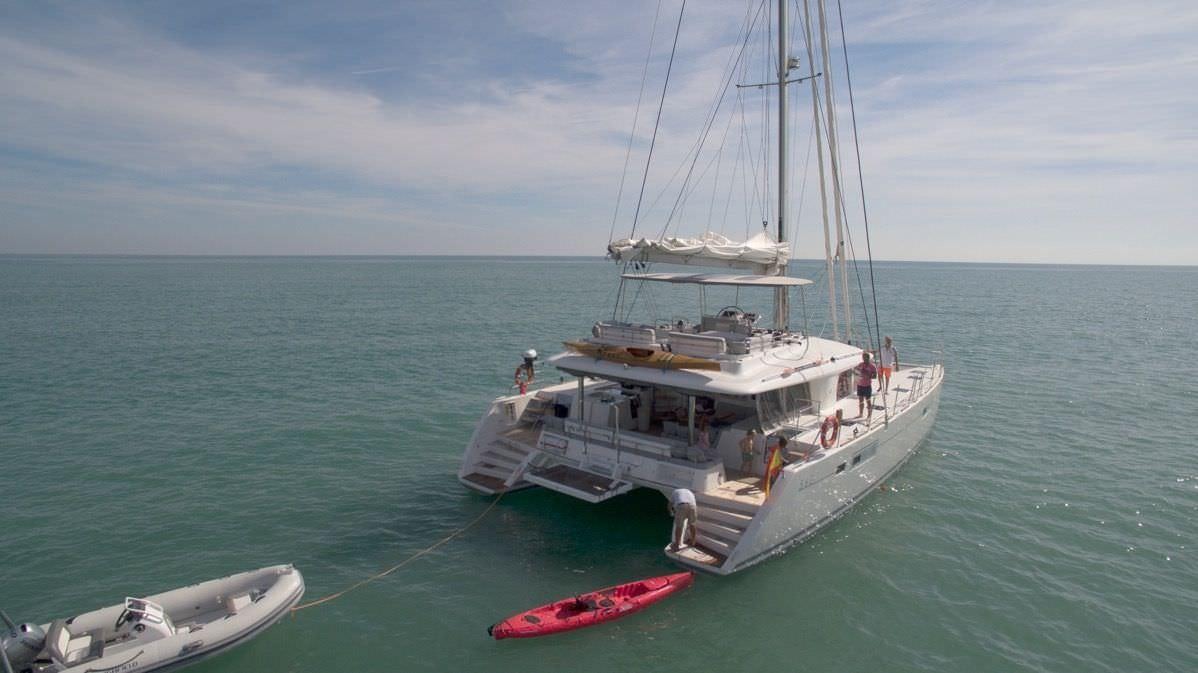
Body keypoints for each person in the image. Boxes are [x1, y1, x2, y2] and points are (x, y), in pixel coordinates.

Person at [856, 352, 878, 420]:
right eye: (863, 357)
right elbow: (856, 372)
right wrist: (858, 372)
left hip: (867, 385)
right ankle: (861, 413)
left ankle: (869, 415)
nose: (864, 359)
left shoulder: (872, 366)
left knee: (868, 401)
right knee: (860, 400)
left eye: (865, 357)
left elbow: (875, 376)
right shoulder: (860, 364)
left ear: (868, 358)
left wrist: (868, 374)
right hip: (860, 384)